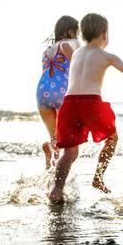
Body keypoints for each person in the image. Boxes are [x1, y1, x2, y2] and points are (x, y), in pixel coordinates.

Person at [49, 13, 123, 202]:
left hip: (68, 103)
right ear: (104, 34)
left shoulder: (76, 53)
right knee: (112, 138)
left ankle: (56, 190)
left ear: (82, 34)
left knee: (70, 152)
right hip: (90, 102)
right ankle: (98, 177)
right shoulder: (105, 55)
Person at [36, 16, 81, 169]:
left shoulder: (47, 50)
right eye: (77, 33)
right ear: (70, 31)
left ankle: (50, 171)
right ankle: (58, 183)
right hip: (62, 93)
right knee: (70, 146)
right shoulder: (67, 44)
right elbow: (78, 66)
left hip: (42, 93)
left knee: (55, 139)